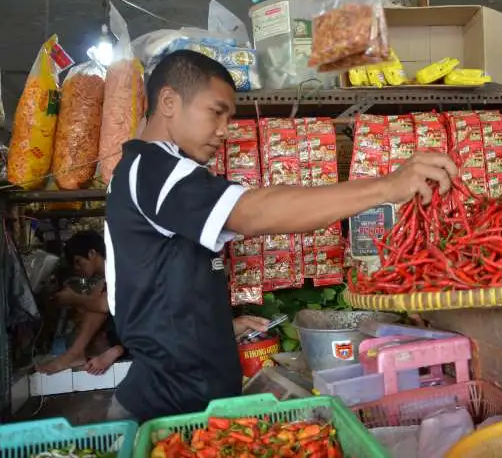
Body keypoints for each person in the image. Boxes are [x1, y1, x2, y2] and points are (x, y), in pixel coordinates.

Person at [105, 49, 458, 422]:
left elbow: (155, 283)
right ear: (169, 101)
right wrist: (387, 187)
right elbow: (252, 212)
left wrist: (212, 328)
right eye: (217, 112)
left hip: (187, 401)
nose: (224, 130)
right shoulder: (155, 167)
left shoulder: (151, 172)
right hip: (165, 411)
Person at [37, 231, 125, 376]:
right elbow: (96, 302)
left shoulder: (118, 269)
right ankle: (80, 353)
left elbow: (104, 305)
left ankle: (78, 354)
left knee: (97, 307)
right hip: (129, 331)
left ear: (92, 253)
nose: (77, 269)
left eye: (78, 261)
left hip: (142, 330)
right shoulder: (104, 279)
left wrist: (73, 298)